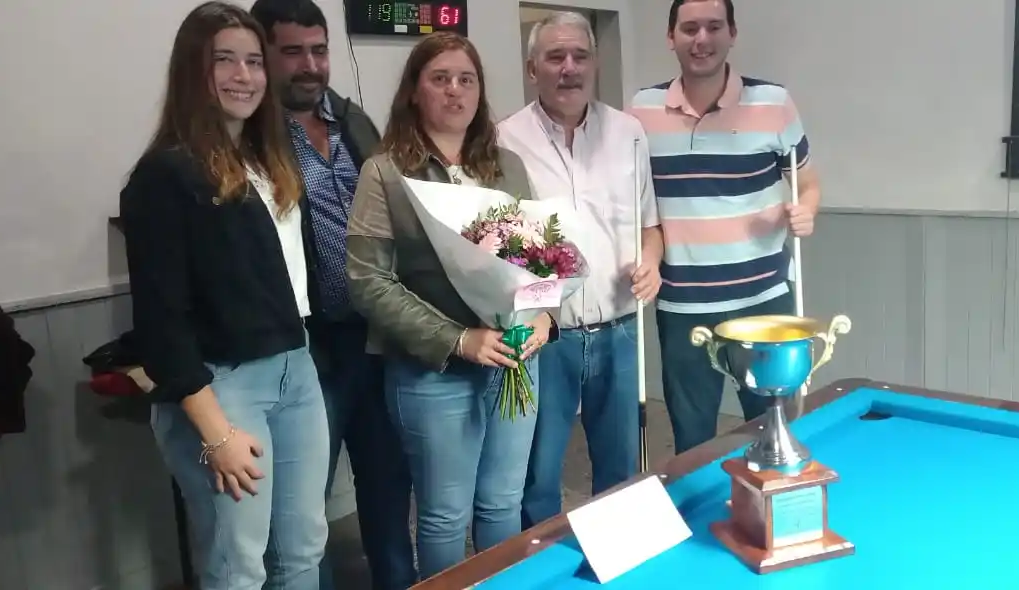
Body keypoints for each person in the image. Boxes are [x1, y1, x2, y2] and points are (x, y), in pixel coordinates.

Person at [119, 2, 329, 588]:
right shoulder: (165, 174)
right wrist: (215, 432)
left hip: (296, 369)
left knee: (305, 549)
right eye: (226, 62)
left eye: (255, 62)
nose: (245, 76)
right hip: (223, 386)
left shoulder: (268, 160)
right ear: (194, 71)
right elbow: (161, 322)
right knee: (238, 566)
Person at [344, 32, 553, 580]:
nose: (455, 91)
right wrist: (458, 339)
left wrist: (542, 318)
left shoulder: (506, 166)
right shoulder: (385, 173)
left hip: (514, 361)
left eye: (467, 80)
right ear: (415, 91)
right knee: (443, 516)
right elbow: (368, 283)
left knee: (502, 504)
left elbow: (540, 263)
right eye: (440, 79)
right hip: (431, 372)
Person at [247, 2, 415, 588]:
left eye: (318, 50)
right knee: (303, 505)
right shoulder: (251, 134)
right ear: (263, 53)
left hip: (376, 336)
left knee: (390, 484)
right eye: (292, 51)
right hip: (308, 345)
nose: (310, 65)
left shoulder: (352, 120)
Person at [628, 0, 822, 454]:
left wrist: (806, 209)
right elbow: (641, 206)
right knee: (692, 440)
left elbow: (807, 179)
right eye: (690, 28)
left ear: (732, 33)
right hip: (682, 306)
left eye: (714, 27)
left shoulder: (773, 103)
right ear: (670, 36)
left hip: (764, 300)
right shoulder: (642, 110)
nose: (702, 39)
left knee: (771, 431)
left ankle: (764, 518)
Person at [497, 11, 662, 528]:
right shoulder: (503, 138)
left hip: (618, 331)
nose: (570, 68)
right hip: (543, 338)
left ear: (594, 63)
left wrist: (652, 263)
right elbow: (498, 247)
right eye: (555, 57)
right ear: (531, 69)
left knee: (620, 473)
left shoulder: (629, 132)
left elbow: (650, 225)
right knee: (537, 477)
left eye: (581, 56)